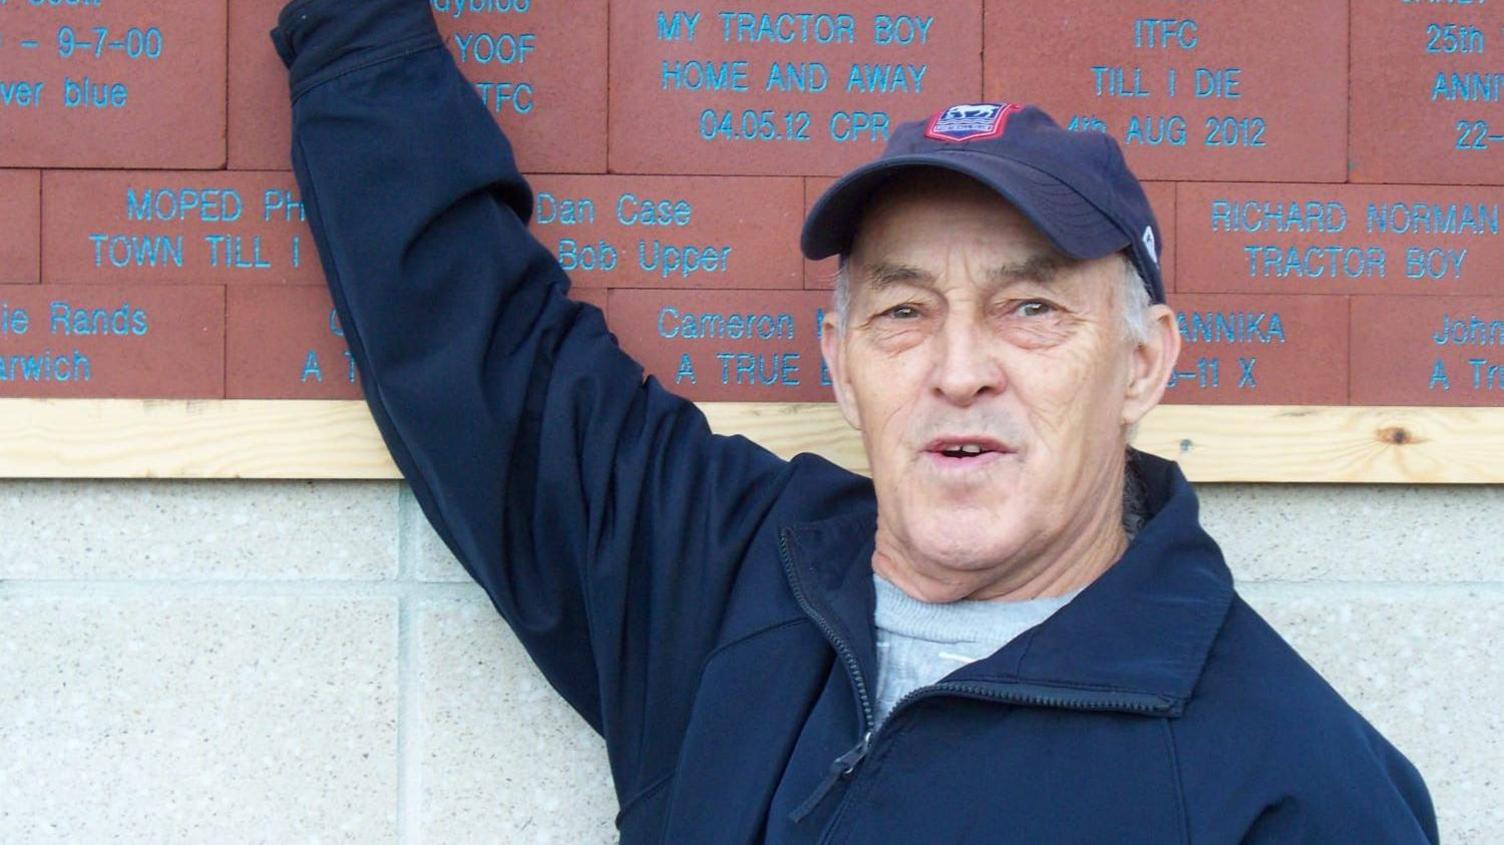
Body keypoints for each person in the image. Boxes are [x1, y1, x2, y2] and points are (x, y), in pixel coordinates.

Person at [272, 1, 1438, 841]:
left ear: (1142, 364)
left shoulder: (1288, 781)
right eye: (901, 309)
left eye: (1030, 306)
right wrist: (356, 34)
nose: (958, 367)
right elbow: (481, 355)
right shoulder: (719, 576)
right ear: (839, 363)